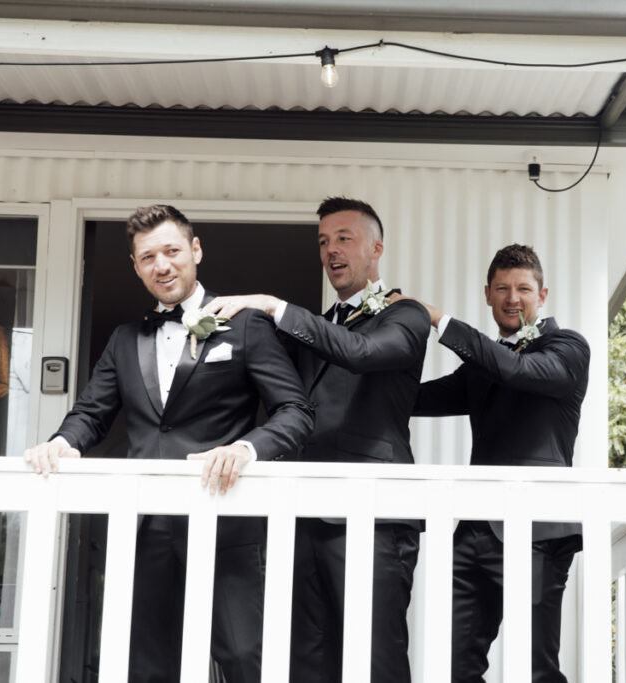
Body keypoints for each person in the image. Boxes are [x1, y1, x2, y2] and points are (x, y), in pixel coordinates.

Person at [23, 204, 314, 682]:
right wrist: (61, 442)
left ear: (195, 250)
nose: (162, 265)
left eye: (173, 250)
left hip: (227, 523)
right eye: (148, 257)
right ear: (135, 267)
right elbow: (90, 414)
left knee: (245, 660)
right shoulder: (123, 339)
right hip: (146, 529)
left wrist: (245, 449)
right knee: (145, 665)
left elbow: (296, 411)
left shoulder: (244, 323)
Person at [205, 196, 430, 683]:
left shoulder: (406, 315)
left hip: (374, 513)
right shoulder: (314, 329)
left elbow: (363, 352)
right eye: (324, 241)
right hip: (304, 510)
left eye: (344, 238)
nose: (331, 250)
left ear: (377, 248)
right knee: (305, 657)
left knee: (374, 657)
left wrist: (272, 304)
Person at [407, 243, 590, 683]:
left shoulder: (567, 348)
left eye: (523, 288)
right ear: (487, 294)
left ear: (542, 295)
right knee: (452, 665)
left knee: (536, 668)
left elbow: (517, 371)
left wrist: (439, 320)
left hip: (537, 533)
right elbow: (415, 399)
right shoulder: (482, 366)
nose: (513, 298)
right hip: (473, 533)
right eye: (503, 288)